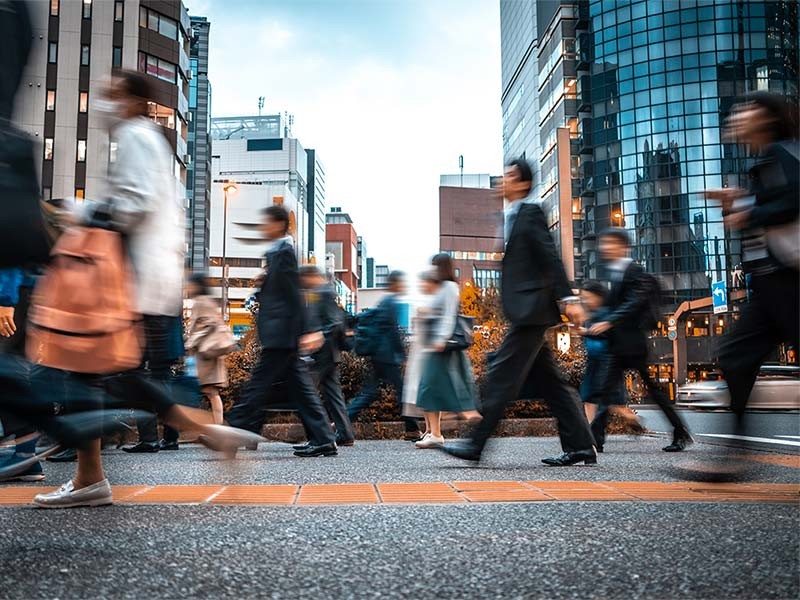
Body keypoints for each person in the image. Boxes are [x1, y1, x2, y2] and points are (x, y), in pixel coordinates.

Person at [32, 71, 261, 508]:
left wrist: (80, 214)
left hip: (124, 278)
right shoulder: (150, 141)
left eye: (112, 95)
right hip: (142, 276)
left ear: (133, 101)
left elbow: (133, 204)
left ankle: (95, 477)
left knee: (89, 370)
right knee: (107, 374)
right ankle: (99, 474)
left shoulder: (136, 137)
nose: (104, 103)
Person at [439, 158, 597, 466]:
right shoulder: (509, 217)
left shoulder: (530, 213)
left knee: (501, 379)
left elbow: (550, 256)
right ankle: (581, 447)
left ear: (523, 184)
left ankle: (475, 445)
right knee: (553, 386)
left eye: (510, 176)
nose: (503, 180)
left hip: (532, 312)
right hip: (526, 311)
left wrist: (567, 297)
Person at [696, 92, 799, 480]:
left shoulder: (783, 153)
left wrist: (747, 210)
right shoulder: (765, 162)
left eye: (745, 110)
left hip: (790, 281)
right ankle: (735, 457)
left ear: (767, 116)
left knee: (737, 356)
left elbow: (793, 201)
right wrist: (742, 203)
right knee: (736, 357)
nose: (736, 116)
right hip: (769, 286)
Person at [219, 205, 338, 458]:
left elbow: (294, 293)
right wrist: (264, 284)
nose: (263, 228)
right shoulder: (277, 253)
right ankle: (323, 438)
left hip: (282, 333)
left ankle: (233, 432)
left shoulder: (283, 252)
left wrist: (310, 329)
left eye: (266, 223)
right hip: (282, 333)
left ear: (277, 224)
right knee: (300, 390)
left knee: (258, 385)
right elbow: (282, 291)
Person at [587, 228, 691, 453]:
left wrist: (609, 322)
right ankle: (596, 438)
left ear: (623, 246)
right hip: (620, 344)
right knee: (606, 392)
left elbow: (634, 302)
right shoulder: (617, 273)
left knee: (652, 391)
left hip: (633, 343)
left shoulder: (634, 271)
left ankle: (680, 432)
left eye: (610, 243)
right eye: (604, 243)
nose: (605, 248)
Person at [414, 255, 480, 449]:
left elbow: (449, 316)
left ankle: (439, 431)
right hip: (436, 344)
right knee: (431, 387)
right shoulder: (442, 288)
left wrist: (441, 339)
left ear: (440, 267)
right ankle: (435, 432)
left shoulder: (449, 288)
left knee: (430, 387)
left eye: (434, 266)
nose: (432, 269)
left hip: (442, 345)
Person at [347, 271, 422, 440]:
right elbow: (393, 332)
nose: (404, 286)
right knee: (401, 392)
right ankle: (412, 430)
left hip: (378, 354)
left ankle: (342, 421)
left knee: (369, 393)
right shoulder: (391, 302)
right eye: (402, 283)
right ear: (396, 284)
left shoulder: (385, 301)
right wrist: (402, 355)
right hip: (386, 356)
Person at [579, 281, 643, 452]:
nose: (585, 301)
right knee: (589, 400)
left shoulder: (607, 313)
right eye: (583, 298)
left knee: (609, 402)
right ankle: (590, 436)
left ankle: (629, 419)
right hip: (594, 363)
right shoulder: (592, 314)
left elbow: (606, 334)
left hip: (607, 362)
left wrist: (585, 331)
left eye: (588, 298)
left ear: (598, 297)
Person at [297, 265, 355, 447]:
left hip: (323, 353)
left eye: (304, 279)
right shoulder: (320, 291)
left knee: (307, 394)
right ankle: (345, 434)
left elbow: (334, 322)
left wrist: (318, 336)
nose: (302, 283)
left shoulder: (323, 292)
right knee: (333, 394)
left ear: (311, 276)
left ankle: (319, 436)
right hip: (327, 353)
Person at [185, 272, 229, 426]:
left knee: (211, 392)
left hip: (206, 354)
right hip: (209, 353)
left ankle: (218, 428)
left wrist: (191, 342)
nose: (187, 286)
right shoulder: (207, 301)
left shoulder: (201, 302)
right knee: (211, 393)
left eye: (189, 283)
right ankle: (218, 427)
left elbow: (208, 325)